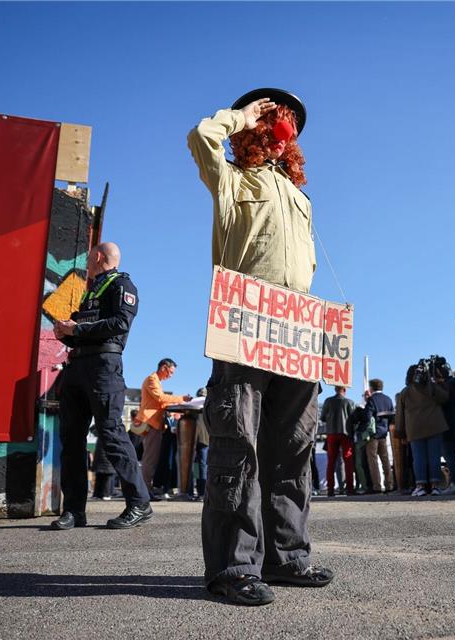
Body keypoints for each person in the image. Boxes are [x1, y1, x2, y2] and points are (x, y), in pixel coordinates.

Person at [189, 88, 333, 606]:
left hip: (296, 332)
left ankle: (286, 558)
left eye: (284, 118)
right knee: (238, 447)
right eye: (268, 117)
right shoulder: (231, 180)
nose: (277, 125)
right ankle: (233, 567)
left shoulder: (298, 194)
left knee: (293, 451)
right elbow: (201, 138)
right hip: (244, 325)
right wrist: (240, 116)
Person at [51, 242, 152, 530]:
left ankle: (139, 503)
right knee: (71, 439)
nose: (86, 262)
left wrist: (78, 329)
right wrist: (67, 334)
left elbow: (120, 323)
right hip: (78, 367)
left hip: (104, 367)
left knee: (111, 434)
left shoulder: (122, 284)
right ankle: (73, 510)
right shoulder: (92, 290)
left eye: (88, 257)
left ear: (97, 256)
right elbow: (85, 329)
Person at [138, 359, 190, 498]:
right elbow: (160, 398)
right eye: (171, 372)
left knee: (151, 459)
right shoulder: (151, 379)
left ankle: (146, 489)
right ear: (164, 367)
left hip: (154, 423)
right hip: (151, 423)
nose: (171, 375)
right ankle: (145, 491)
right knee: (150, 459)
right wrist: (181, 399)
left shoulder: (155, 381)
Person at [396, 362, 449, 497]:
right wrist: (433, 383)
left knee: (418, 458)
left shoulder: (405, 392)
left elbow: (400, 414)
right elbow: (444, 398)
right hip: (435, 426)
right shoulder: (431, 387)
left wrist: (400, 432)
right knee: (434, 457)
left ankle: (420, 486)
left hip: (414, 429)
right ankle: (435, 486)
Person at [320, 386, 356, 497]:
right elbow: (354, 419)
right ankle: (349, 489)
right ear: (344, 390)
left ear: (335, 389)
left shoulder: (328, 401)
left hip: (331, 433)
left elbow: (323, 418)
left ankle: (330, 489)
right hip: (345, 434)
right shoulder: (349, 402)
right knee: (348, 462)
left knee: (331, 462)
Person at [437, 368, 455, 495]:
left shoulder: (446, 387)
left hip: (447, 425)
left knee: (449, 455)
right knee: (452, 454)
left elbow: (443, 402)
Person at [364, 379, 394, 493]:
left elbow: (368, 417)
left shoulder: (371, 400)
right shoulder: (388, 399)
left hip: (373, 434)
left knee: (373, 460)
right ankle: (389, 484)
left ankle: (377, 486)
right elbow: (392, 416)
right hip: (384, 433)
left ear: (372, 387)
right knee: (385, 459)